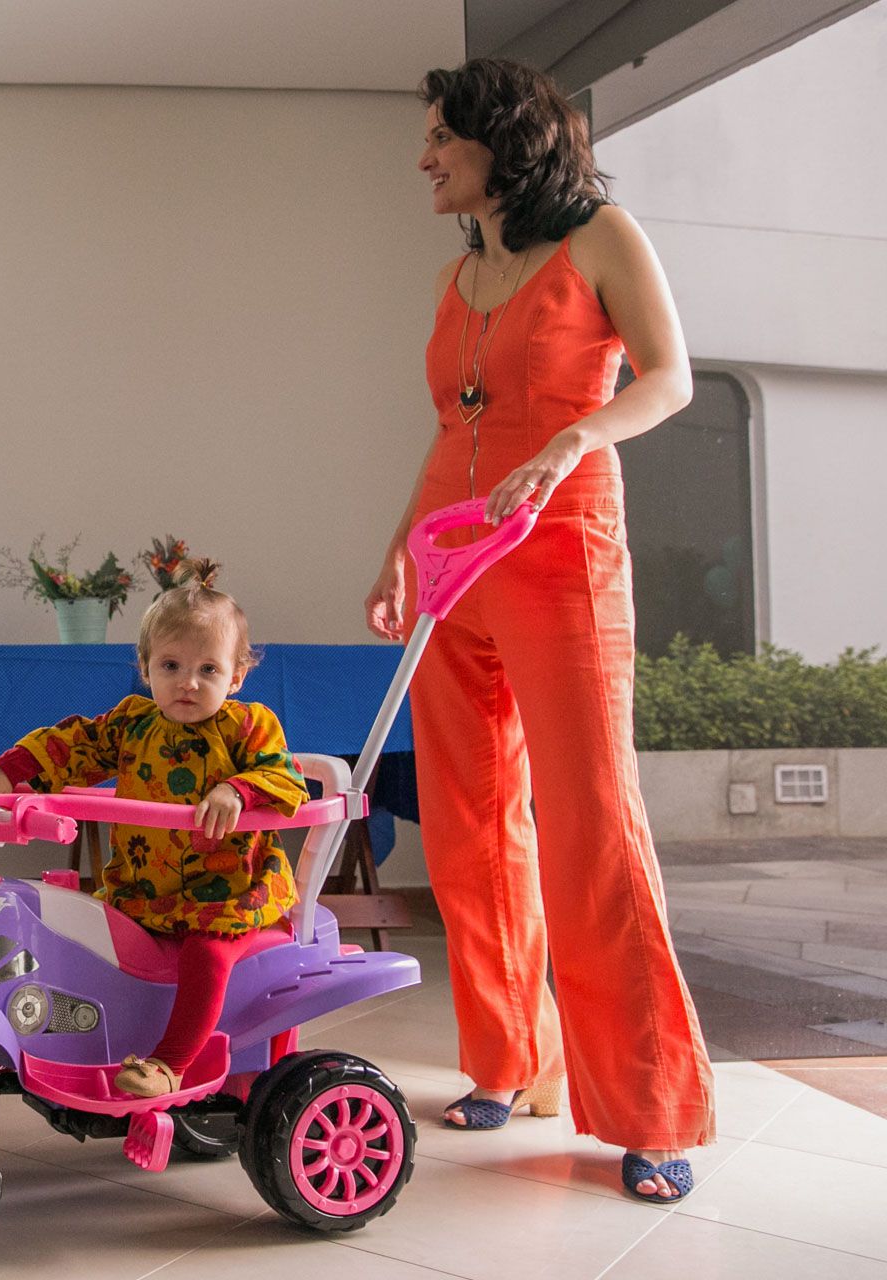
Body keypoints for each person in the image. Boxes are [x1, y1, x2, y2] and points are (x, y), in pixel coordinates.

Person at [364, 58, 715, 1202]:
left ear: (497, 141)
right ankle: (508, 1060)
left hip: (562, 557)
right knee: (467, 829)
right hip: (455, 568)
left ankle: (651, 1108)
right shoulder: (456, 274)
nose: (422, 158)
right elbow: (448, 432)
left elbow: (670, 380)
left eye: (437, 140)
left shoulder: (602, 236)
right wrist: (397, 553)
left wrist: (572, 442)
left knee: (591, 829)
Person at [0, 561, 308, 1098]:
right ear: (146, 668)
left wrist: (236, 790)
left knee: (207, 956)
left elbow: (286, 775)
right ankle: (42, 1045)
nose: (188, 682)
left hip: (228, 892)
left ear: (236, 676)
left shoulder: (247, 726)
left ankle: (171, 1063)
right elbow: (70, 743)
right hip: (143, 890)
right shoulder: (131, 723)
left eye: (209, 670)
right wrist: (8, 772)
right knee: (76, 940)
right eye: (171, 665)